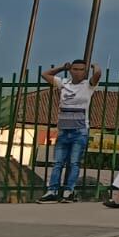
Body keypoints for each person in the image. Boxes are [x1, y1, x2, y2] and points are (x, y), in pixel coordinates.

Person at [38, 58, 101, 202]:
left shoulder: (88, 85)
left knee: (74, 163)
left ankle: (69, 191)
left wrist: (95, 66)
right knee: (58, 163)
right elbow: (45, 74)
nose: (78, 72)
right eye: (75, 69)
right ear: (71, 70)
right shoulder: (64, 83)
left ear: (85, 72)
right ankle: (52, 190)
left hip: (79, 130)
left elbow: (97, 75)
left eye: (81, 70)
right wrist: (62, 67)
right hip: (64, 130)